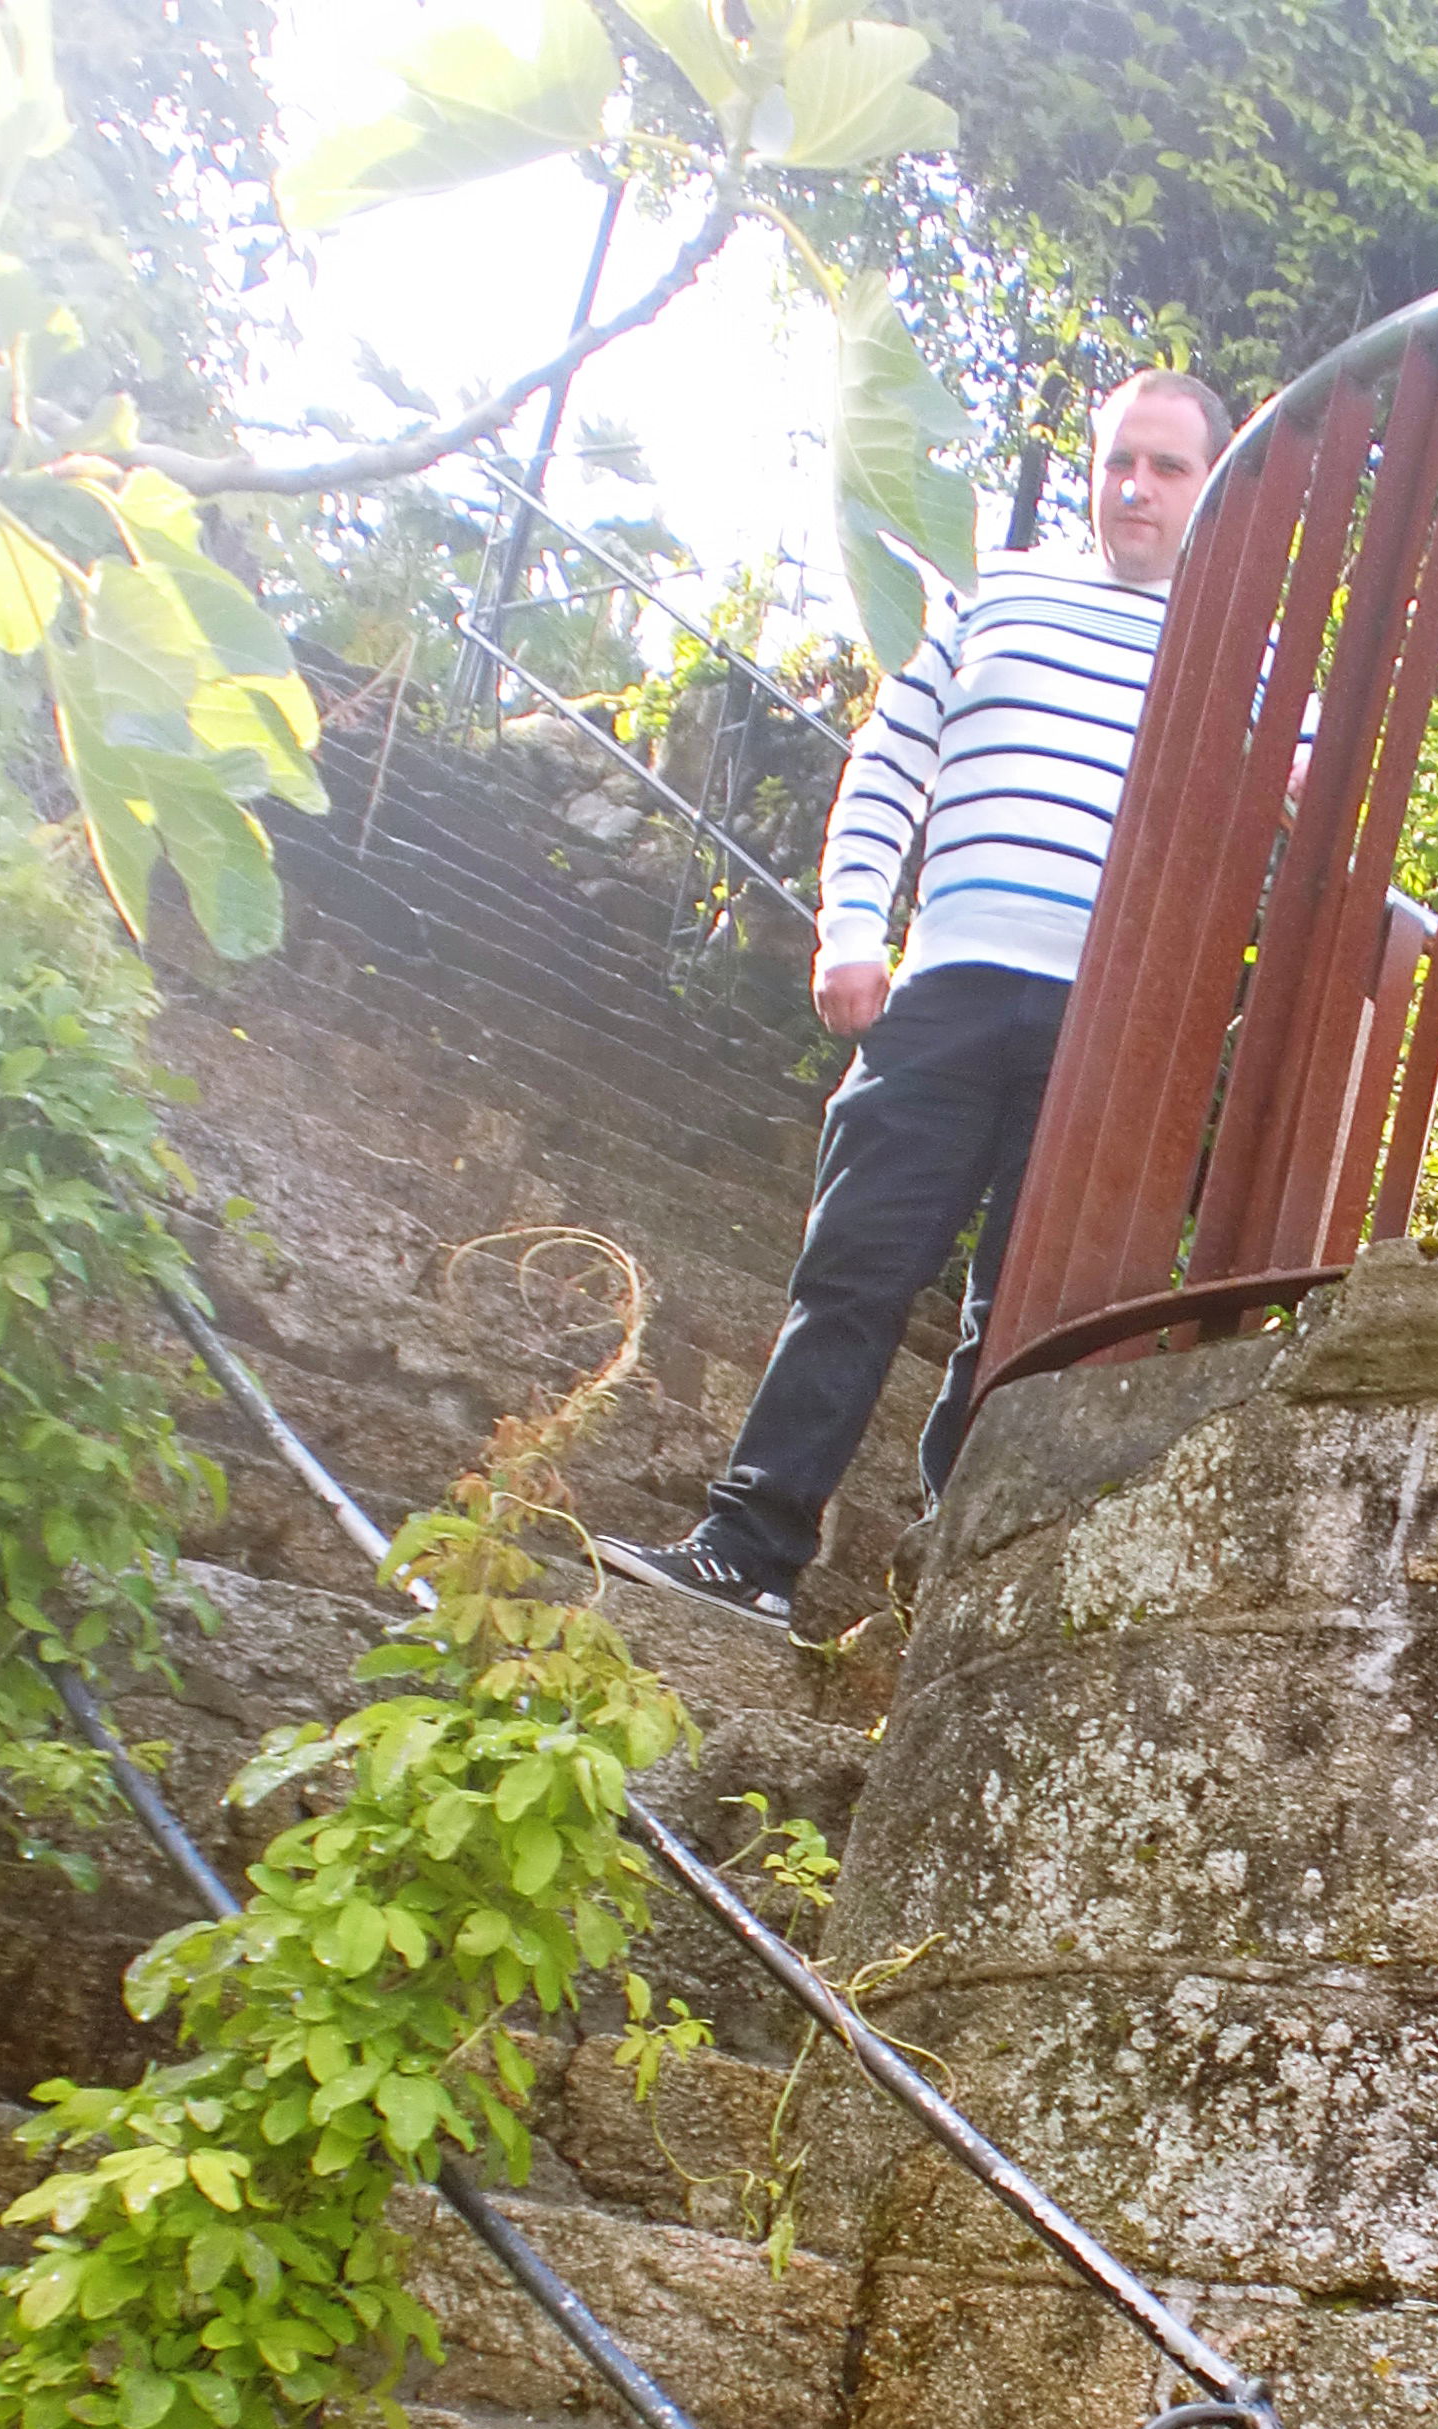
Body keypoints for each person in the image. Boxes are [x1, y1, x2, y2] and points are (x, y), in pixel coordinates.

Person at [600, 368, 1234, 1633]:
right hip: (945, 986)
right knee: (855, 1265)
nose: (1134, 488)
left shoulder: (1238, 646)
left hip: (1106, 1029)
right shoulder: (993, 590)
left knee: (1026, 1319)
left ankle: (953, 1588)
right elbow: (888, 766)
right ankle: (752, 1546)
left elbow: (1291, 820)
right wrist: (851, 927)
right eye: (1119, 460)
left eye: (1167, 467)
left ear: (1211, 482)